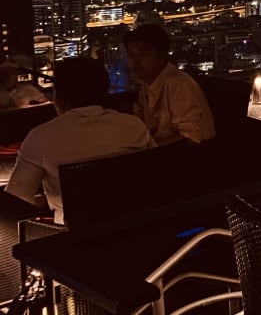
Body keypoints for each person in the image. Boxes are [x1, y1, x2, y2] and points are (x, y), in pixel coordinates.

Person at [4, 58, 154, 223]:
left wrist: (48, 200)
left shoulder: (41, 137)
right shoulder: (134, 126)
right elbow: (158, 174)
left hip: (73, 235)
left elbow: (16, 201)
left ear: (59, 98)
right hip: (135, 227)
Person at [124, 24, 216, 144]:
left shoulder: (178, 84)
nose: (134, 61)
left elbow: (191, 137)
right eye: (130, 54)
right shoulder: (147, 84)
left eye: (143, 54)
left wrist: (148, 148)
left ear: (161, 56)